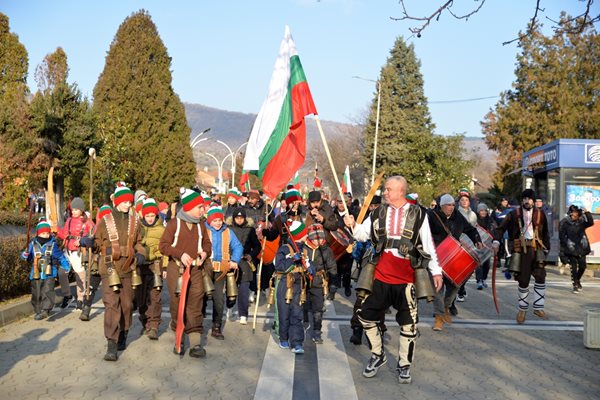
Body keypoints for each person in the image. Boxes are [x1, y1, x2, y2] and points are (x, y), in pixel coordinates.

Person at [343, 176, 444, 384]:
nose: (385, 193)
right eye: (385, 189)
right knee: (365, 316)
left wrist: (436, 271)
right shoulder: (378, 212)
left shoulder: (419, 215)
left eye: (389, 190)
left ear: (401, 191)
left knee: (408, 325)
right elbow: (362, 234)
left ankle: (404, 365)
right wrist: (353, 224)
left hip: (406, 278)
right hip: (380, 275)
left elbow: (427, 243)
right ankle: (378, 354)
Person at [80, 182, 144, 361]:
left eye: (130, 201)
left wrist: (141, 254)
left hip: (129, 267)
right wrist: (88, 241)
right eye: (124, 201)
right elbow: (96, 240)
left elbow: (139, 243)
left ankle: (124, 332)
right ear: (117, 201)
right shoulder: (105, 221)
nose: (127, 204)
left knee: (127, 305)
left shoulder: (135, 221)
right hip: (108, 267)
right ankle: (111, 344)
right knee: (111, 305)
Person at [159, 188, 211, 358]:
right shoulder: (175, 223)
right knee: (177, 304)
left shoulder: (201, 224)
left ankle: (195, 343)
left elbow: (207, 244)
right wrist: (180, 253)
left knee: (196, 302)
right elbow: (163, 246)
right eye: (200, 207)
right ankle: (179, 337)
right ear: (189, 207)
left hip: (196, 269)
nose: (203, 210)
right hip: (178, 269)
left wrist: (204, 253)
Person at [427, 193, 482, 331]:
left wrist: (477, 239)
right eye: (448, 205)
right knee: (438, 287)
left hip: (454, 256)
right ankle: (439, 317)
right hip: (436, 255)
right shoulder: (432, 216)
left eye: (452, 205)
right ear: (441, 206)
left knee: (457, 283)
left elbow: (470, 229)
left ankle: (446, 306)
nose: (451, 208)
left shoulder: (458, 216)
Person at [496, 188, 550, 324]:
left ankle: (538, 307)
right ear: (522, 200)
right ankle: (522, 309)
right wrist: (496, 241)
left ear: (533, 200)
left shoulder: (540, 214)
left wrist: (547, 249)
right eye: (524, 199)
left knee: (541, 276)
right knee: (523, 280)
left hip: (537, 248)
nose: (527, 201)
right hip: (521, 250)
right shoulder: (514, 214)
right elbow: (501, 228)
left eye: (529, 199)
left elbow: (546, 233)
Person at [204, 204, 243, 338]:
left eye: (220, 220)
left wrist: (235, 260)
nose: (217, 223)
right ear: (209, 220)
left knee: (218, 300)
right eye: (214, 221)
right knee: (200, 297)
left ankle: (216, 326)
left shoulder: (228, 232)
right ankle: (195, 324)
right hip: (204, 269)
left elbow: (238, 247)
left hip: (221, 270)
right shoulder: (204, 230)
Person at [21, 220, 71, 320]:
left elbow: (60, 257)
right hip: (35, 272)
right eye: (43, 233)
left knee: (48, 290)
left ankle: (45, 310)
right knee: (37, 292)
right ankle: (38, 310)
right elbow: (27, 256)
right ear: (38, 233)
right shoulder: (32, 244)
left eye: (48, 233)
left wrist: (66, 266)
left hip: (50, 272)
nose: (46, 235)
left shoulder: (53, 245)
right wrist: (24, 255)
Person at [274, 220, 310, 354]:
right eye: (305, 234)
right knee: (284, 313)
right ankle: (283, 338)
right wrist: (292, 259)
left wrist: (310, 269)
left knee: (297, 313)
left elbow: (308, 264)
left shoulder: (305, 249)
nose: (307, 236)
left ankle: (297, 342)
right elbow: (279, 266)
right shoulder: (284, 248)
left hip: (299, 285)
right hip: (285, 283)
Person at [57, 197, 95, 311]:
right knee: (61, 272)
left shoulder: (87, 221)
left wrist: (83, 240)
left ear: (82, 210)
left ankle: (80, 298)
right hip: (67, 251)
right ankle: (67, 295)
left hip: (79, 251)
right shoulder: (68, 220)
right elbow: (64, 234)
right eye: (72, 209)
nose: (73, 212)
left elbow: (93, 235)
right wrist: (56, 230)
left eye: (76, 209)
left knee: (80, 276)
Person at [302, 223, 337, 343]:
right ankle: (303, 322)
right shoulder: (303, 248)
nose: (320, 240)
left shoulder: (326, 250)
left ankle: (317, 331)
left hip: (318, 283)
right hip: (303, 282)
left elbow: (332, 267)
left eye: (321, 238)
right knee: (304, 305)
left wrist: (333, 285)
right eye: (317, 238)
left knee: (318, 309)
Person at [137, 198, 166, 340]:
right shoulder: (138, 228)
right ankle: (144, 320)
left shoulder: (162, 230)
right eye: (147, 215)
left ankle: (154, 325)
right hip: (140, 266)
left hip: (156, 266)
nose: (149, 218)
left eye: (152, 215)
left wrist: (164, 266)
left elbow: (166, 249)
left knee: (155, 297)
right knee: (141, 298)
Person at [228, 208, 261, 325]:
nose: (239, 220)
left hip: (245, 262)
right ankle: (230, 308)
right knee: (230, 287)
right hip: (231, 262)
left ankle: (243, 314)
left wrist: (251, 255)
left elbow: (257, 246)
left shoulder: (250, 230)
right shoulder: (228, 229)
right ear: (233, 218)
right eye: (237, 218)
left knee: (243, 290)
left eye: (241, 218)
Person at [559, 205, 594, 293]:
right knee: (573, 268)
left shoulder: (581, 222)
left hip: (581, 247)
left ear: (578, 214)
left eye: (575, 213)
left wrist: (587, 213)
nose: (573, 215)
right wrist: (563, 251)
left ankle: (577, 280)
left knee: (583, 266)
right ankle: (575, 284)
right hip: (571, 248)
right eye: (572, 213)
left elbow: (591, 222)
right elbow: (562, 238)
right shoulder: (565, 223)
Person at [456, 191, 477, 303]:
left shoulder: (473, 215)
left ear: (469, 202)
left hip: (470, 244)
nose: (464, 202)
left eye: (466, 200)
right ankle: (459, 290)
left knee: (469, 270)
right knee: (460, 269)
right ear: (459, 202)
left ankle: (461, 288)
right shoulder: (455, 213)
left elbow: (474, 229)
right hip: (459, 243)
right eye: (462, 200)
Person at [475, 203, 498, 290]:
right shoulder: (475, 221)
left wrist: (495, 242)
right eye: (481, 210)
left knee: (487, 264)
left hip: (488, 246)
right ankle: (479, 281)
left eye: (485, 210)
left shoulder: (491, 221)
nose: (483, 212)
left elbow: (495, 232)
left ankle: (484, 278)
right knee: (478, 264)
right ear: (478, 212)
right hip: (478, 245)